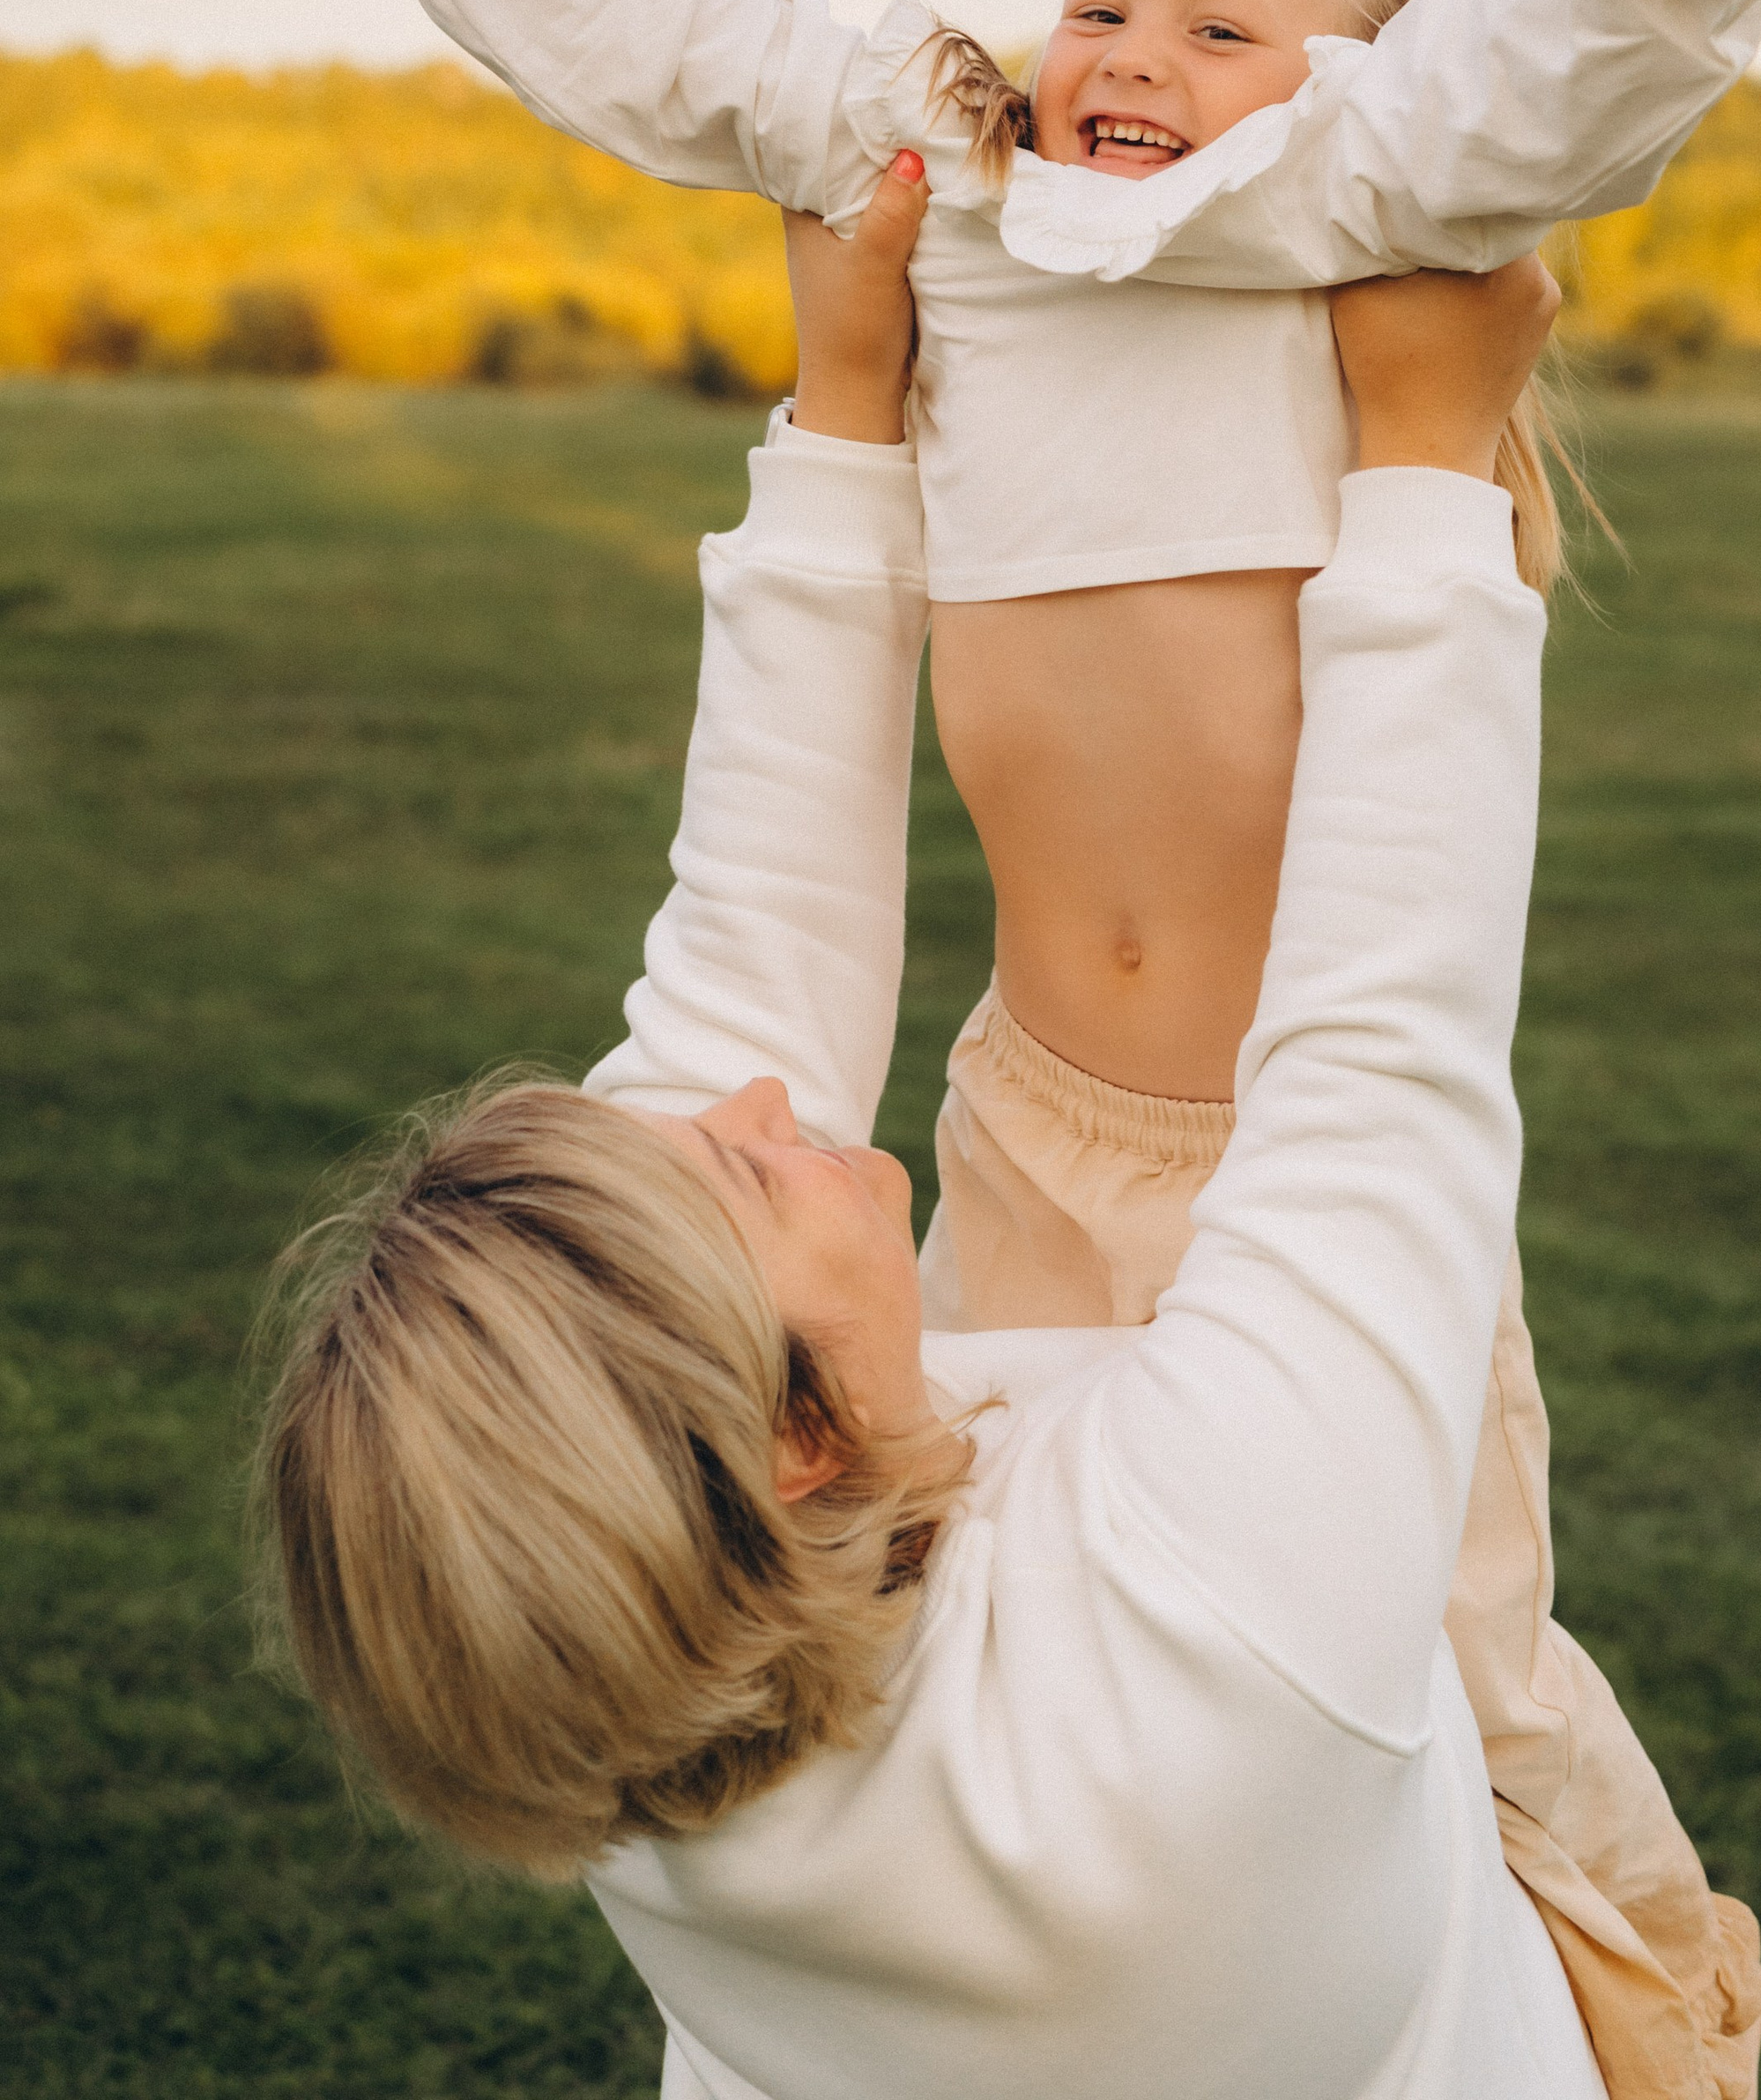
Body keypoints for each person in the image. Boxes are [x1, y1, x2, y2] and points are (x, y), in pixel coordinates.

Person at [294, 0, 1761, 2090]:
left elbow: (1538, 67)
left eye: (1221, 21)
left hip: (1269, 1141)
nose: (1124, 49)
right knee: (894, 1576)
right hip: (1022, 1121)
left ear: (1345, 83)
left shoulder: (1347, 220)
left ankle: (1614, 2021)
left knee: (1453, 1676)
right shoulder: (964, 221)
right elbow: (693, 28)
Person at [261, 214, 1611, 2100]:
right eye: (735, 1178)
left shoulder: (618, 1698)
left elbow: (751, 940)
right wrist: (1421, 467)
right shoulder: (1217, 1642)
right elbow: (1385, 1032)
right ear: (797, 1438)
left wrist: (844, 408)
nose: (747, 1107)